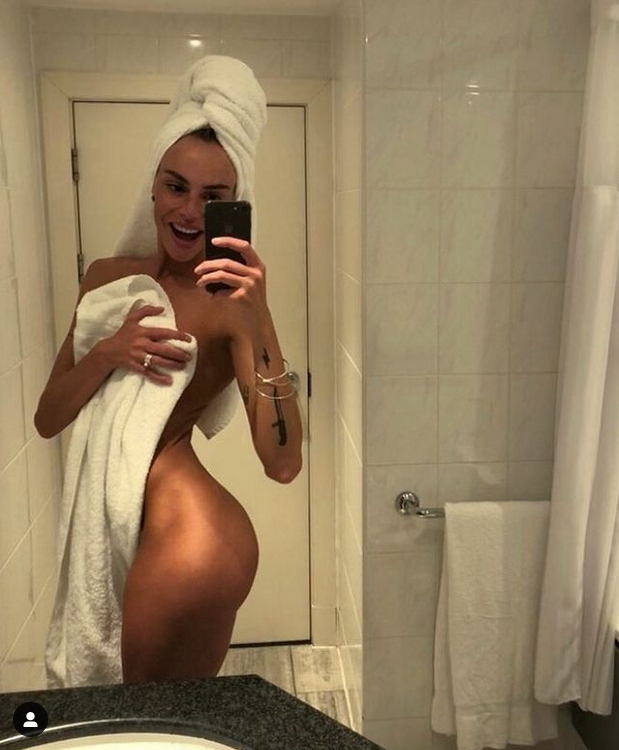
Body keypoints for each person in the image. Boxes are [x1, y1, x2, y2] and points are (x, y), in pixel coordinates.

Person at [35, 57, 303, 686]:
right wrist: (108, 351)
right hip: (126, 520)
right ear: (152, 188)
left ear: (235, 207)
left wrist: (261, 318)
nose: (188, 211)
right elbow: (49, 417)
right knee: (141, 719)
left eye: (214, 199)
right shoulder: (106, 279)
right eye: (176, 186)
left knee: (146, 718)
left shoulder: (229, 307)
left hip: (193, 539)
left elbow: (283, 463)